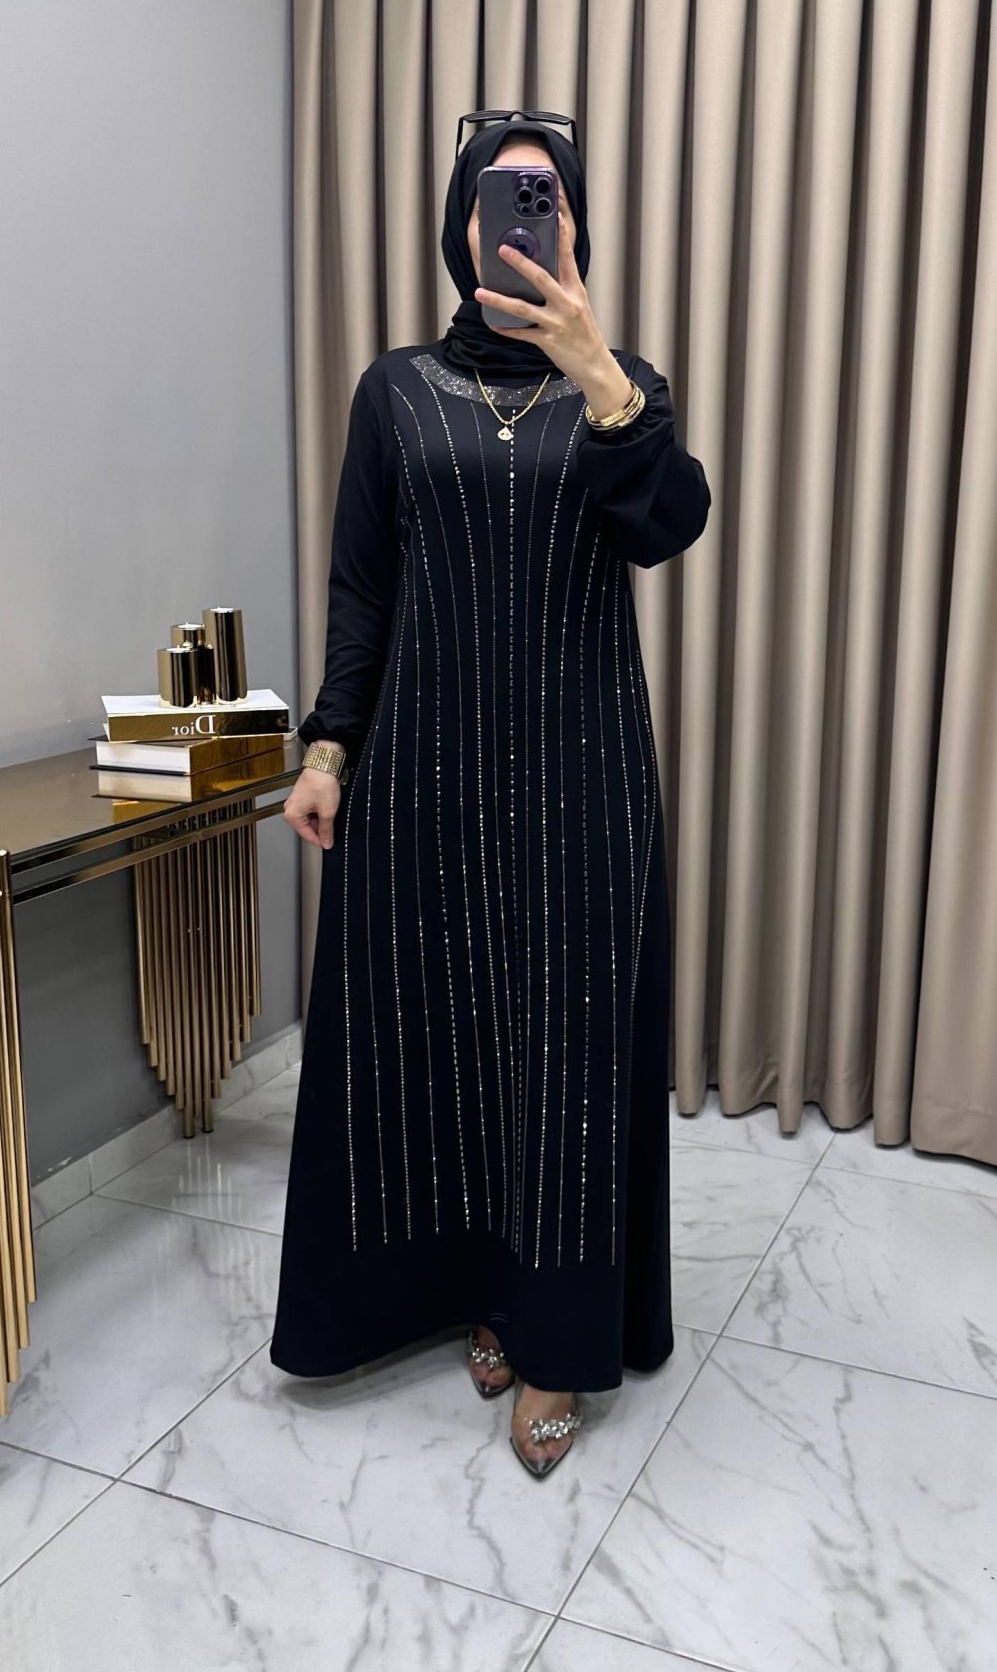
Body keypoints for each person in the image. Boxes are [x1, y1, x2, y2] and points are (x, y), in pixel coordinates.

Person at [272, 111, 711, 1478]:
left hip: (584, 777)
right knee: (442, 1037)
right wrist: (329, 749)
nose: (526, 219)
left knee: (568, 1054)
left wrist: (601, 376)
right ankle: (479, 1289)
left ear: (573, 229)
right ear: (462, 227)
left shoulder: (622, 384)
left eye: (549, 199)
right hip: (424, 775)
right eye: (501, 198)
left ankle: (558, 1339)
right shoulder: (393, 391)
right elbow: (364, 585)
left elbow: (670, 522)